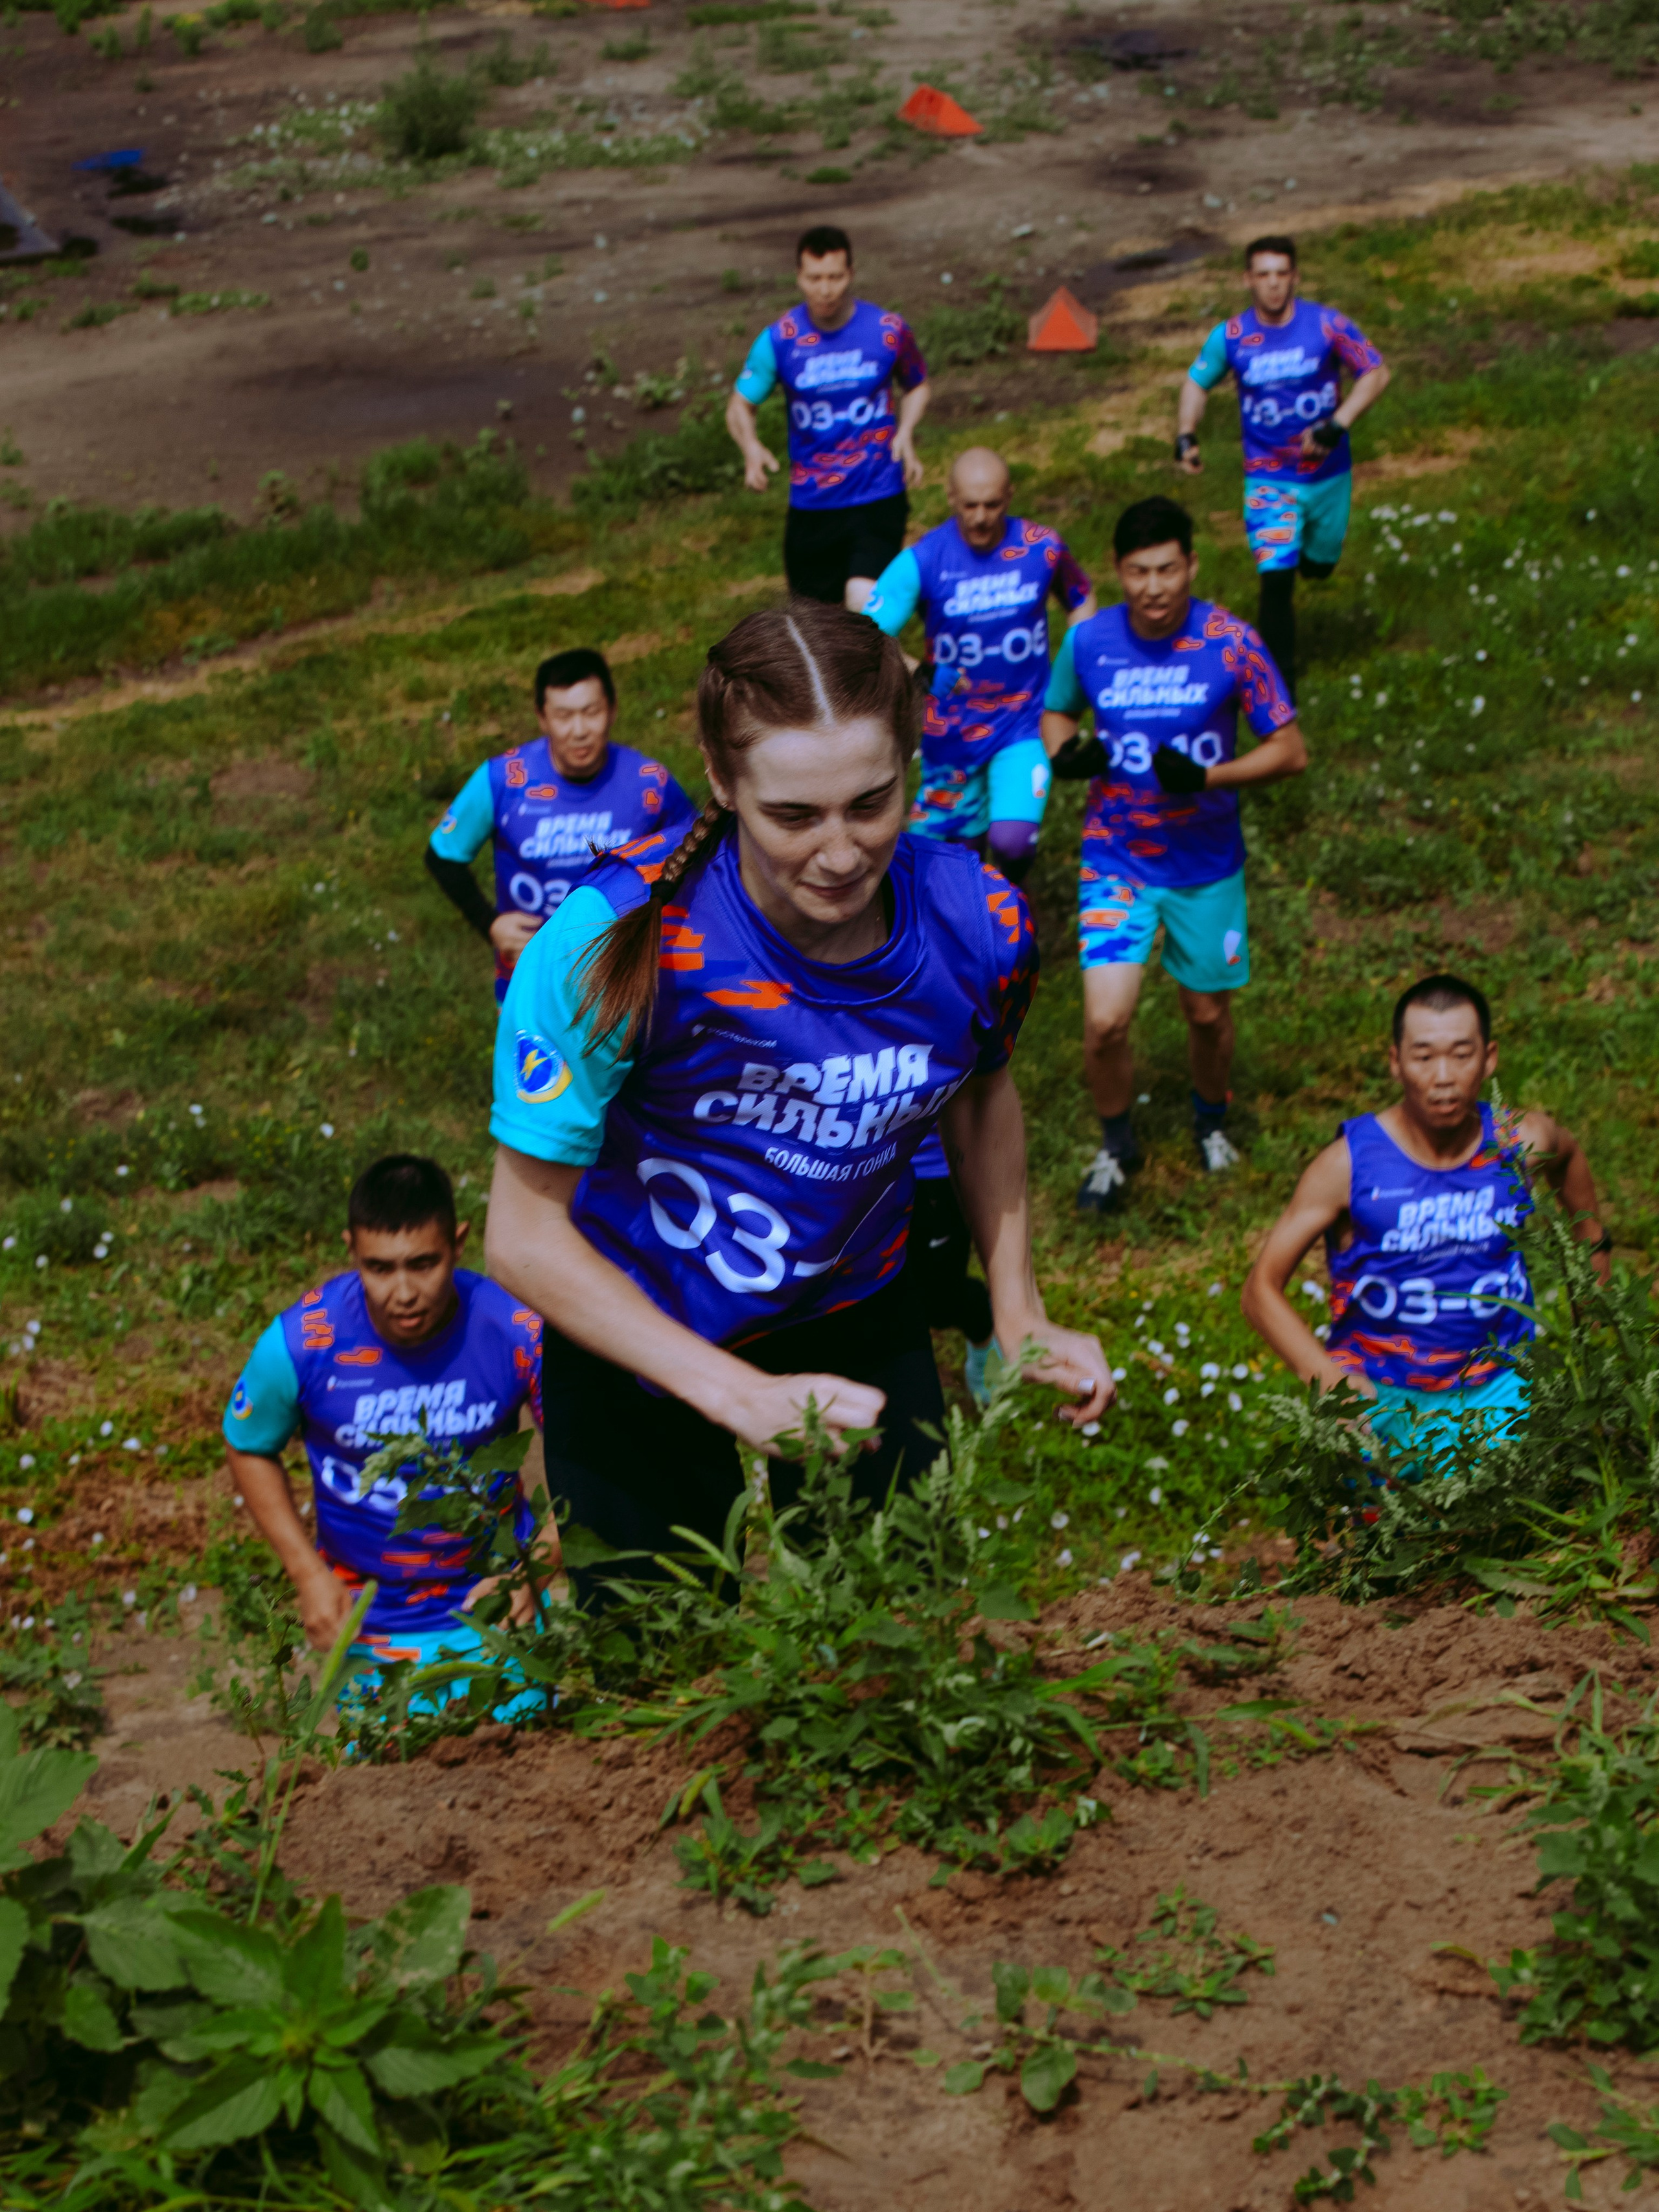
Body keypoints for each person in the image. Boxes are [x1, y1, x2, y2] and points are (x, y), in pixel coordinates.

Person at [484, 600, 1111, 1574]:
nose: (840, 852)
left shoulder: (979, 920)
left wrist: (1018, 1304)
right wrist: (732, 1392)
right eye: (793, 815)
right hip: (639, 1335)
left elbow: (981, 1095)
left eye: (872, 803)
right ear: (722, 777)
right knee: (662, 1677)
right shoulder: (608, 945)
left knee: (895, 1641)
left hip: (858, 1309)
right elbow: (521, 1237)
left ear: (912, 763)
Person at [1040, 495, 1307, 1215]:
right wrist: (1067, 753)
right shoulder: (1089, 641)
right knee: (1104, 1021)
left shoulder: (1232, 643)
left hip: (1205, 866)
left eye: (1166, 569)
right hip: (1116, 862)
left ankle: (1210, 1120)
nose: (1153, 588)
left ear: (1191, 564)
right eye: (1137, 572)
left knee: (1207, 1016)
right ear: (1118, 573)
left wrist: (1211, 777)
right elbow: (1057, 706)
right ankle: (1116, 1144)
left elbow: (1290, 749)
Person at [1241, 974, 1609, 1465]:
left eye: (1461, 1055)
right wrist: (1331, 1384)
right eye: (1423, 1056)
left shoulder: (1518, 1143)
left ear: (1489, 1058)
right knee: (1386, 1538)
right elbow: (1260, 1289)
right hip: (1379, 1396)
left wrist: (1594, 1258)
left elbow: (1568, 1155)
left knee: (1509, 1536)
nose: (1443, 1076)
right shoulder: (1348, 1165)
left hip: (1502, 1389)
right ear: (1396, 1062)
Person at [222, 1154, 554, 1697]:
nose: (403, 1292)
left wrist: (536, 1567)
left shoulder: (516, 1328)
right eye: (380, 1268)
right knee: (379, 1783)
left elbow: (591, 1458)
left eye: (424, 1263)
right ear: (351, 1249)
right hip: (367, 1627)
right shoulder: (303, 1341)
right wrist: (306, 1572)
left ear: (458, 1243)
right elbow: (248, 1444)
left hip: (500, 1611)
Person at [864, 445, 1095, 889]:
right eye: (970, 505)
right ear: (951, 497)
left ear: (1009, 495)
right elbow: (865, 631)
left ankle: (1012, 903)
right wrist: (920, 671)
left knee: (1012, 841)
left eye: (992, 504)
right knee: (954, 861)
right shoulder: (925, 558)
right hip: (952, 732)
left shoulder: (1042, 548)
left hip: (1026, 723)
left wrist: (1074, 666)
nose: (981, 516)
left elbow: (1081, 601)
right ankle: (974, 916)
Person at [1174, 235, 1389, 699]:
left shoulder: (1328, 325)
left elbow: (1375, 371)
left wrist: (1337, 424)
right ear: (1248, 279)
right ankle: (1278, 691)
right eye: (1263, 275)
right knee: (1276, 578)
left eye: (1281, 274)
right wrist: (1186, 433)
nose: (1273, 285)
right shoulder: (1231, 337)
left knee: (1318, 567)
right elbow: (1197, 383)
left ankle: (1316, 557)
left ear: (1295, 277)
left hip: (1328, 476)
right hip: (1269, 479)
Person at [425, 647, 695, 1001]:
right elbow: (442, 856)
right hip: (528, 985)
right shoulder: (502, 781)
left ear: (612, 710)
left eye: (591, 712)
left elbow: (701, 856)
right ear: (542, 717)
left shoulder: (651, 784)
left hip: (624, 985)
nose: (579, 731)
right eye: (564, 716)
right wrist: (488, 923)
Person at [725, 224, 930, 612]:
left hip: (877, 493)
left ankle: (912, 674)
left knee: (863, 608)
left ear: (850, 274)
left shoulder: (887, 330)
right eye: (815, 278)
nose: (825, 290)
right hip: (812, 505)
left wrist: (906, 431)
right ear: (799, 278)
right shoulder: (781, 339)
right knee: (817, 631)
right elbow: (739, 406)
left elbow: (917, 385)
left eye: (835, 277)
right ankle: (913, 674)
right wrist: (750, 448)